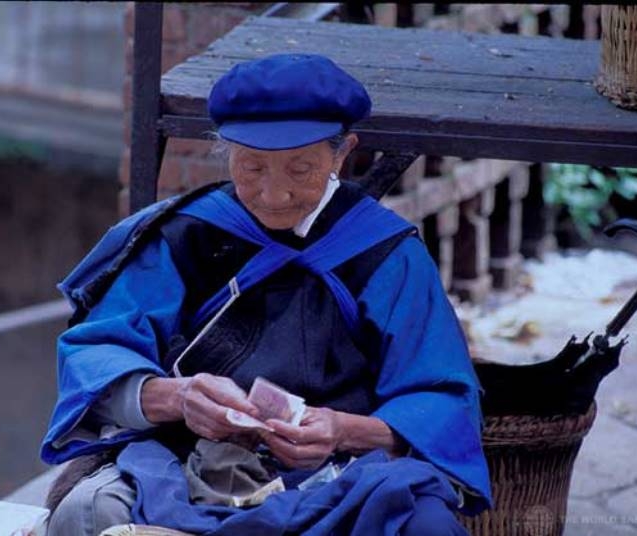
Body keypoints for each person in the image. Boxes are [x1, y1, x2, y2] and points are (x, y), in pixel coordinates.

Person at [41, 53, 492, 536]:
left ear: (343, 153)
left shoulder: (387, 254)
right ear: (225, 150)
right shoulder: (187, 235)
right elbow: (96, 353)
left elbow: (443, 399)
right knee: (88, 511)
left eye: (300, 169)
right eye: (252, 167)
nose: (273, 194)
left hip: (345, 473)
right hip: (183, 464)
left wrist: (344, 430)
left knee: (422, 523)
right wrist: (178, 397)